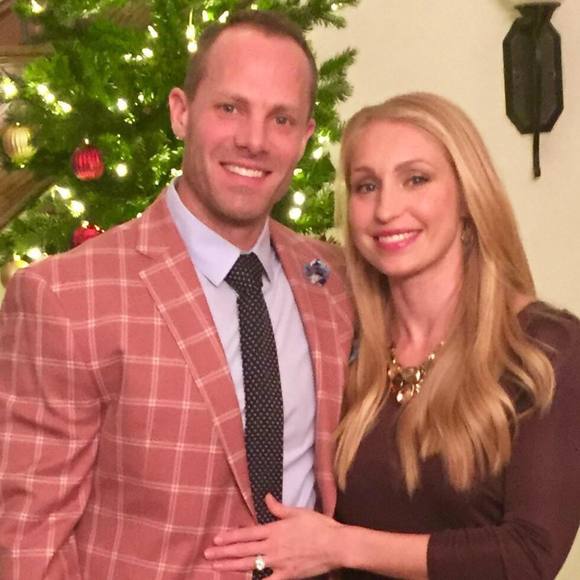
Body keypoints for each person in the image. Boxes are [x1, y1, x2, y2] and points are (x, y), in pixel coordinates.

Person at [0, 10, 354, 579]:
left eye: (281, 118)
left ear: (305, 137)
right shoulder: (65, 298)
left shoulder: (331, 281)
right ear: (181, 112)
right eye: (230, 108)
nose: (254, 140)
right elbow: (28, 546)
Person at [204, 92, 580, 579]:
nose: (386, 209)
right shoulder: (341, 340)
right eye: (366, 186)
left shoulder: (545, 348)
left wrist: (341, 545)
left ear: (468, 196)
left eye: (415, 179)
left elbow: (529, 556)